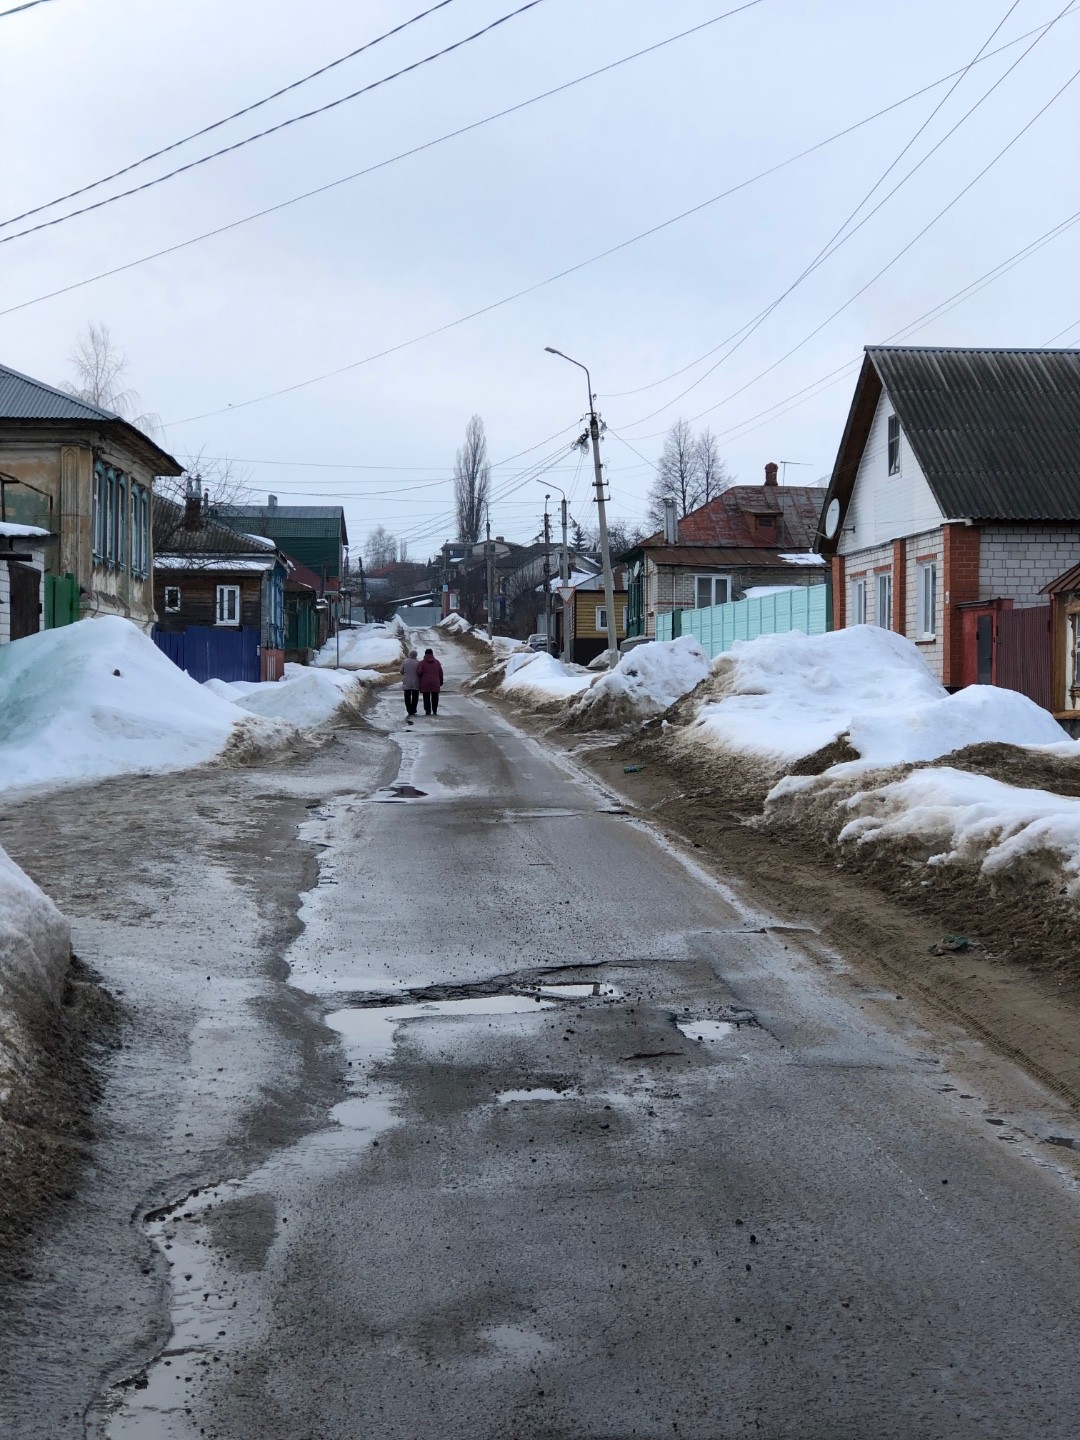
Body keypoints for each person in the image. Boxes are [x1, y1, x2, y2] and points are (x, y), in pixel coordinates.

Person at [417, 647, 444, 715]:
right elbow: (440, 673)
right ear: (432, 654)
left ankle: (428, 710)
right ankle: (434, 710)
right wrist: (441, 681)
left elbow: (419, 672)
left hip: (425, 683)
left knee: (426, 697)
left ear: (425, 654)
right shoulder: (437, 662)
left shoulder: (422, 663)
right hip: (435, 682)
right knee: (435, 697)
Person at [400, 649, 421, 719]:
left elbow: (401, 671)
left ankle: (409, 709)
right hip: (416, 681)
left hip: (407, 681)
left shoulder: (405, 661)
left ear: (409, 654)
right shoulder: (418, 662)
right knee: (415, 696)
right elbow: (420, 672)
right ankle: (413, 709)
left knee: (407, 696)